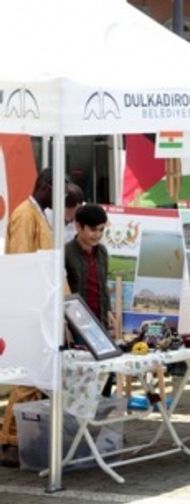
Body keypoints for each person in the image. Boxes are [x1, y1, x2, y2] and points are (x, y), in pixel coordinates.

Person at [1, 169, 56, 466]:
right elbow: (22, 263)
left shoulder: (38, 214)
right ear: (46, 187)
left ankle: (21, 436)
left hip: (41, 307)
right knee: (27, 378)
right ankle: (9, 439)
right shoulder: (24, 215)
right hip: (30, 308)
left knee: (34, 378)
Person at [65, 205, 112, 330]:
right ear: (78, 226)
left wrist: (108, 310)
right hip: (76, 324)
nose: (97, 234)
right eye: (93, 229)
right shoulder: (66, 253)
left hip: (100, 322)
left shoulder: (102, 252)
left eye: (101, 230)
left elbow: (103, 285)